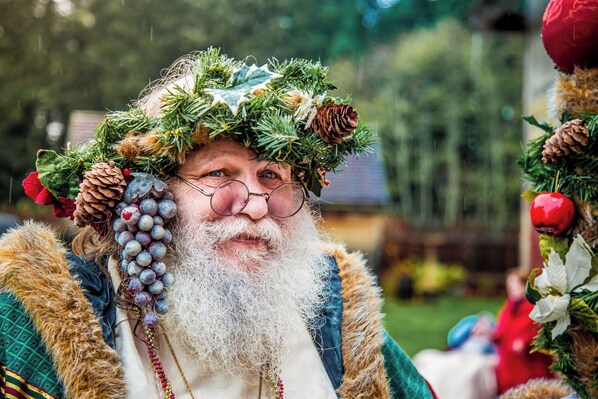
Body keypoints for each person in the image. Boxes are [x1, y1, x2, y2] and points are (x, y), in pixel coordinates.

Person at [1, 49, 437, 399]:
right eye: (217, 173)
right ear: (149, 190)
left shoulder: (337, 310)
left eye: (272, 176)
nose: (256, 206)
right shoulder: (44, 315)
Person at [493, 268, 555, 394]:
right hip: (509, 371)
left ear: (526, 285)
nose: (510, 288)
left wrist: (525, 341)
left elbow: (545, 332)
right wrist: (490, 334)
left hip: (531, 371)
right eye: (508, 284)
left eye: (513, 283)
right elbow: (502, 331)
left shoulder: (537, 307)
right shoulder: (508, 307)